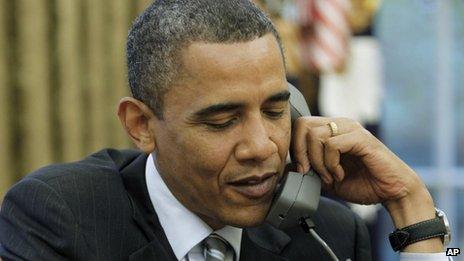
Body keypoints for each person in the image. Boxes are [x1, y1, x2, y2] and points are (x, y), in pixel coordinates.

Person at [0, 1, 450, 260]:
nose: (261, 147)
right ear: (141, 126)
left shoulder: (326, 234)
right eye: (222, 121)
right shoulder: (60, 216)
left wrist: (414, 209)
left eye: (275, 111)